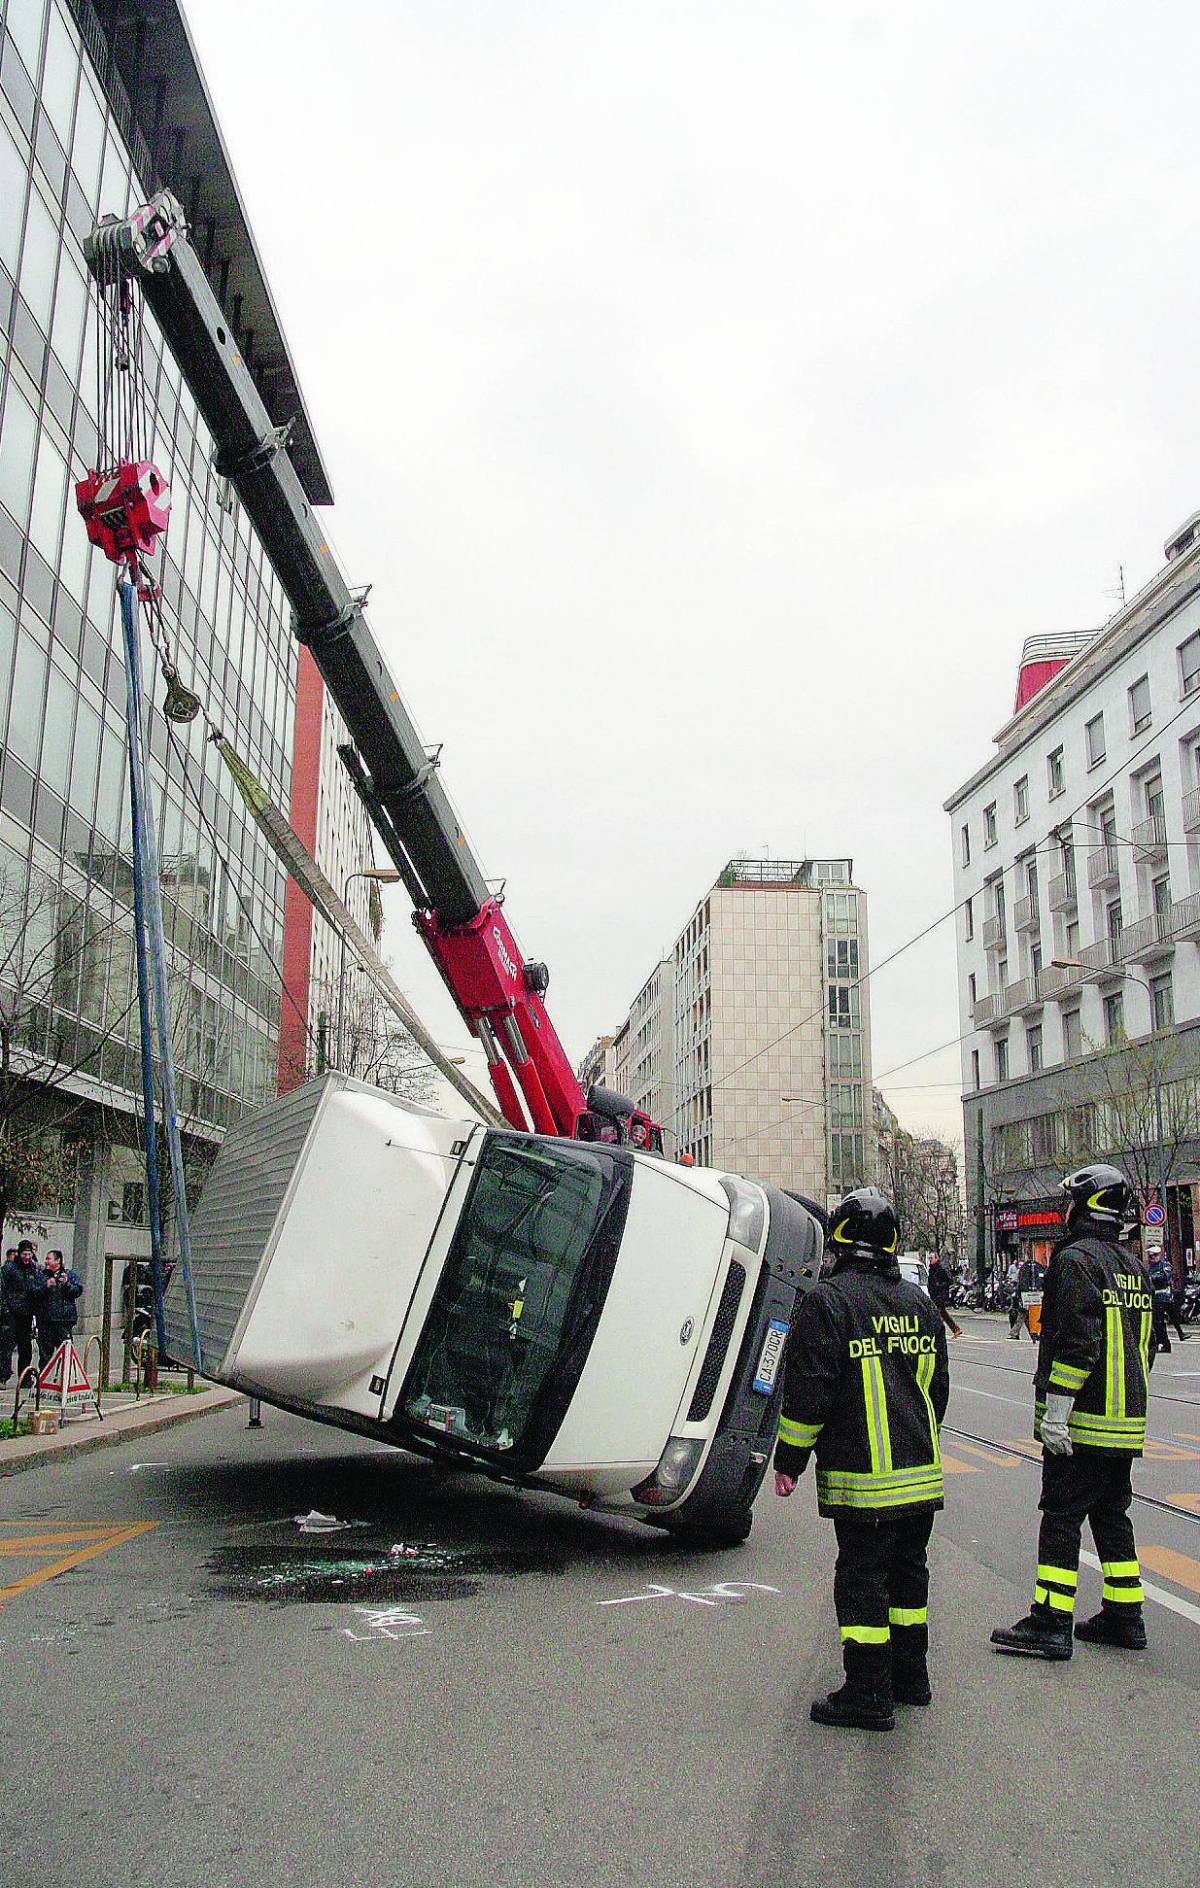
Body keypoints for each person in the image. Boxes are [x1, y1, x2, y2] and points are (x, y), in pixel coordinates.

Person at [775, 1186, 950, 1732]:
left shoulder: (828, 1303)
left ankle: (868, 1692)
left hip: (865, 1481)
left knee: (862, 1581)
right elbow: (936, 1391)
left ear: (840, 1239)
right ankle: (910, 1678)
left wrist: (789, 1460)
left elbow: (809, 1392)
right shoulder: (919, 1303)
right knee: (908, 1577)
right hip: (920, 1477)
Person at [991, 1163, 1153, 1661]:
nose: (1067, 1209)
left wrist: (1057, 1414)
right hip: (1124, 1421)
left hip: (1082, 1422)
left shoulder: (1075, 1260)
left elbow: (1077, 1345)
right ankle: (1126, 1616)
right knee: (1111, 1514)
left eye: (1072, 1201)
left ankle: (1051, 1620)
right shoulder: (1132, 1265)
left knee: (1061, 1517)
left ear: (1086, 1206)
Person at [0, 1240, 43, 1386]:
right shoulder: (9, 1268)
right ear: (19, 1253)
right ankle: (2, 1377)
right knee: (6, 1346)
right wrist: (5, 1310)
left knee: (26, 1347)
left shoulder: (34, 1269)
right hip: (10, 1313)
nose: (27, 1257)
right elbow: (3, 1290)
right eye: (24, 1254)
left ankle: (25, 1378)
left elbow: (36, 1288)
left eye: (29, 1255)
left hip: (26, 1314)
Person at [35, 1250, 83, 1369]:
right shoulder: (41, 1275)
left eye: (49, 1259)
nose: (46, 1261)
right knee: (45, 1355)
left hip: (63, 1320)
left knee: (66, 1352)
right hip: (45, 1321)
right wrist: (46, 1286)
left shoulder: (69, 1274)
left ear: (58, 1261)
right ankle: (43, 1381)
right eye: (46, 1259)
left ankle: (65, 1380)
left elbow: (77, 1291)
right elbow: (34, 1293)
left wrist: (66, 1284)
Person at [1149, 1250, 1188, 1353]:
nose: (1152, 1258)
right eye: (1151, 1256)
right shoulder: (1149, 1267)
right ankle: (1165, 1344)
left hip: (1166, 1297)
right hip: (1156, 1299)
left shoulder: (1164, 1265)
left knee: (1174, 1317)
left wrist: (1152, 1278)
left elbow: (1165, 1277)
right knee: (1159, 1323)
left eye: (1154, 1256)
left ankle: (1181, 1333)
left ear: (1159, 1255)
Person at [1013, 1251, 1046, 1342]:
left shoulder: (1027, 1269)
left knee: (1024, 1314)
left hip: (1029, 1295)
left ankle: (1019, 1332)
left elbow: (1021, 1283)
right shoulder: (1036, 1268)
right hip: (1033, 1295)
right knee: (1025, 1314)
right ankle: (1031, 1333)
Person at [928, 1254, 963, 1339]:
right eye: (929, 1258)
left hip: (941, 1295)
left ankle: (937, 1332)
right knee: (943, 1313)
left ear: (936, 1258)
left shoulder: (941, 1269)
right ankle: (955, 1329)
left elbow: (949, 1280)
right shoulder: (932, 1269)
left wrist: (939, 1285)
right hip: (934, 1295)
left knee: (937, 1313)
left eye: (931, 1258)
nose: (930, 1260)